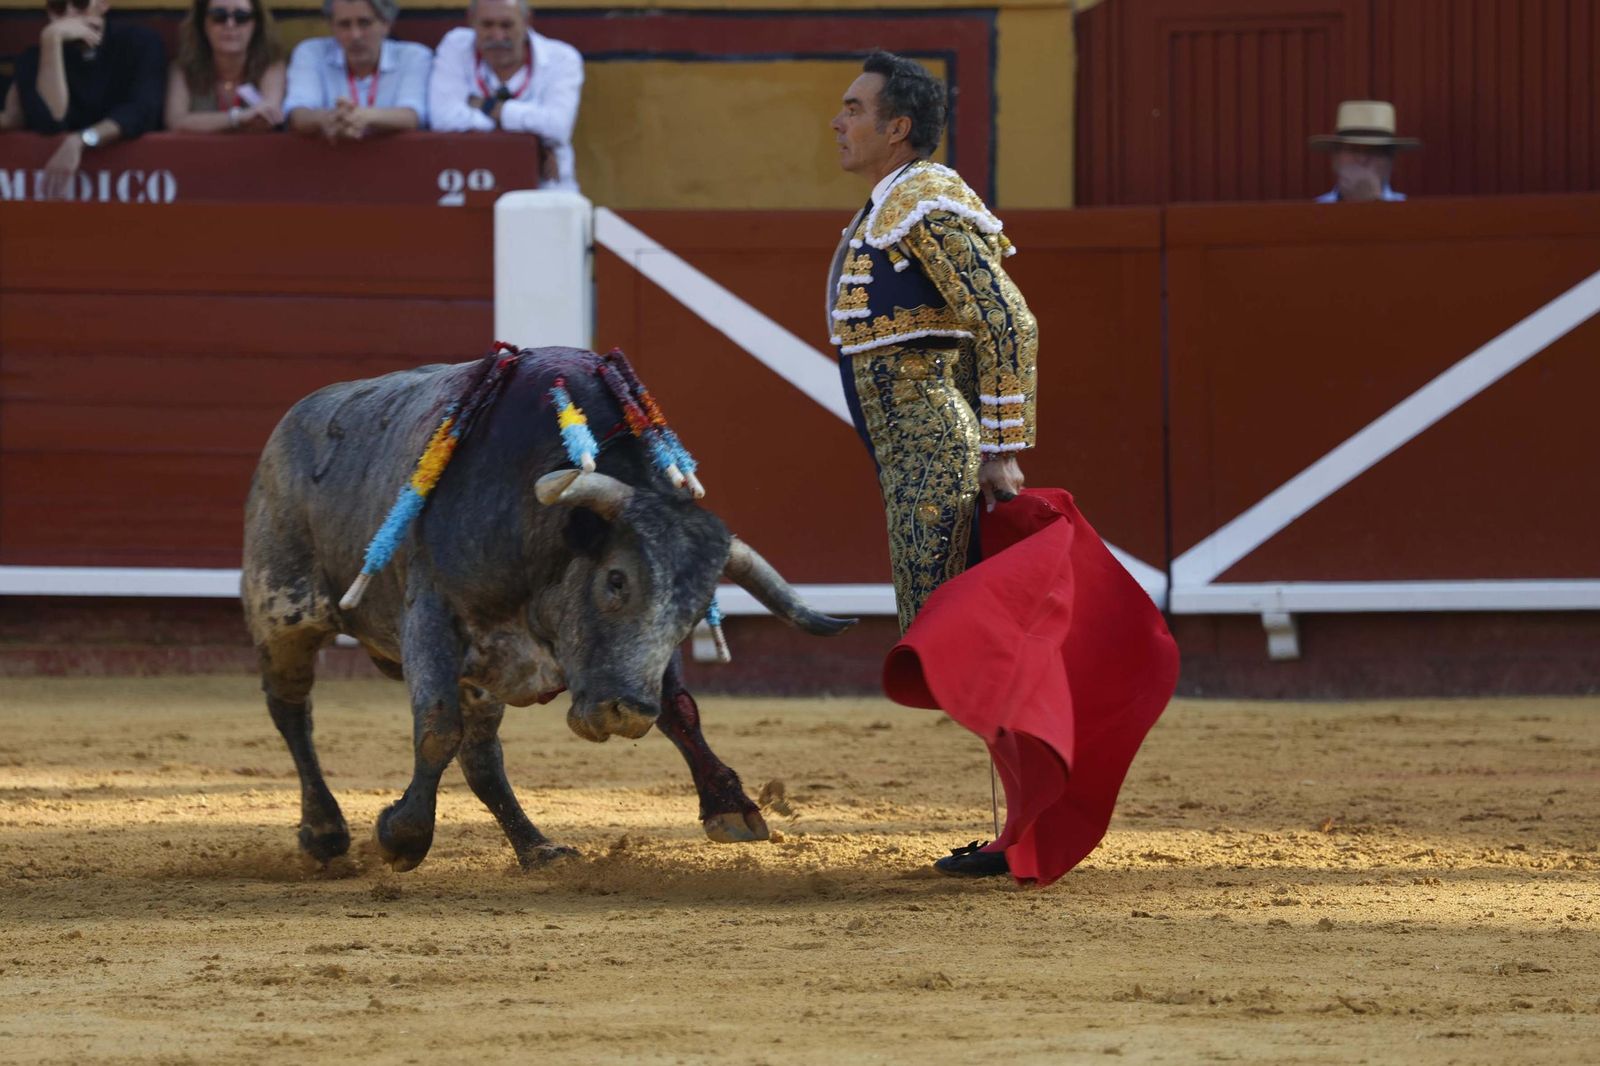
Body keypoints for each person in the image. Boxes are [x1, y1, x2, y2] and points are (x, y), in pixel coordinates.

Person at [826, 51, 1037, 875]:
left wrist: (1000, 449)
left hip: (933, 447)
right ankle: (1020, 823)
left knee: (956, 639)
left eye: (853, 107)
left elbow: (1007, 320)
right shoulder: (895, 202)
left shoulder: (923, 198)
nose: (838, 121)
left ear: (896, 127)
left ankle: (1024, 828)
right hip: (914, 447)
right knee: (948, 635)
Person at [0, 0, 164, 199]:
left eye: (80, 3)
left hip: (129, 192)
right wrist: (52, 39)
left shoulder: (140, 44)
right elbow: (52, 121)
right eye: (58, 6)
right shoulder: (33, 59)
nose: (69, 13)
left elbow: (141, 110)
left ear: (103, 4)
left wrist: (81, 141)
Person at [427, 0, 583, 191]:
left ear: (527, 21)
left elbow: (558, 126)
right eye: (487, 25)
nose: (498, 36)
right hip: (472, 183)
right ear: (471, 21)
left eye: (507, 25)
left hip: (546, 187)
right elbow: (443, 118)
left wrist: (485, 106)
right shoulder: (455, 46)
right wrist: (533, 143)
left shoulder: (562, 58)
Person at [282, 0, 430, 142]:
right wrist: (329, 118)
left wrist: (362, 117)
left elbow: (412, 116)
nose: (355, 35)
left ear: (386, 24)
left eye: (364, 23)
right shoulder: (311, 52)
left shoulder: (413, 56)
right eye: (344, 25)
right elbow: (298, 114)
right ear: (332, 26)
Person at [165, 0, 286, 133]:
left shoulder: (271, 65)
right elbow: (176, 122)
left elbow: (268, 116)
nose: (230, 24)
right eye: (219, 16)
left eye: (242, 17)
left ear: (256, 25)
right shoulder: (183, 69)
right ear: (202, 23)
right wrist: (238, 118)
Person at [1310, 100, 1420, 203]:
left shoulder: (1412, 213)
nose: (1362, 160)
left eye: (1374, 151)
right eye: (1353, 149)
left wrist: (1376, 201)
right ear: (1335, 158)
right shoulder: (1313, 213)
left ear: (1390, 162)